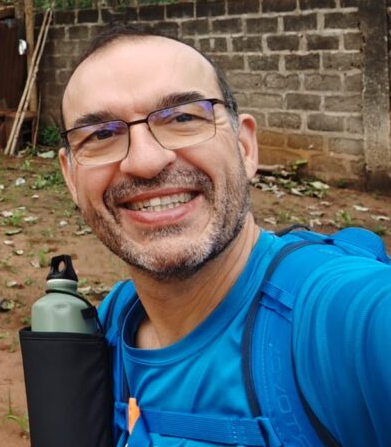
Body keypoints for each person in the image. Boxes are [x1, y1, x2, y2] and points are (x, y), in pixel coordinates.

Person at [58, 26, 391, 445]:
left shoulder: (345, 321)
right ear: (71, 177)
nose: (144, 161)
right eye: (101, 135)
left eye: (182, 117)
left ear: (245, 147)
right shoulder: (110, 323)